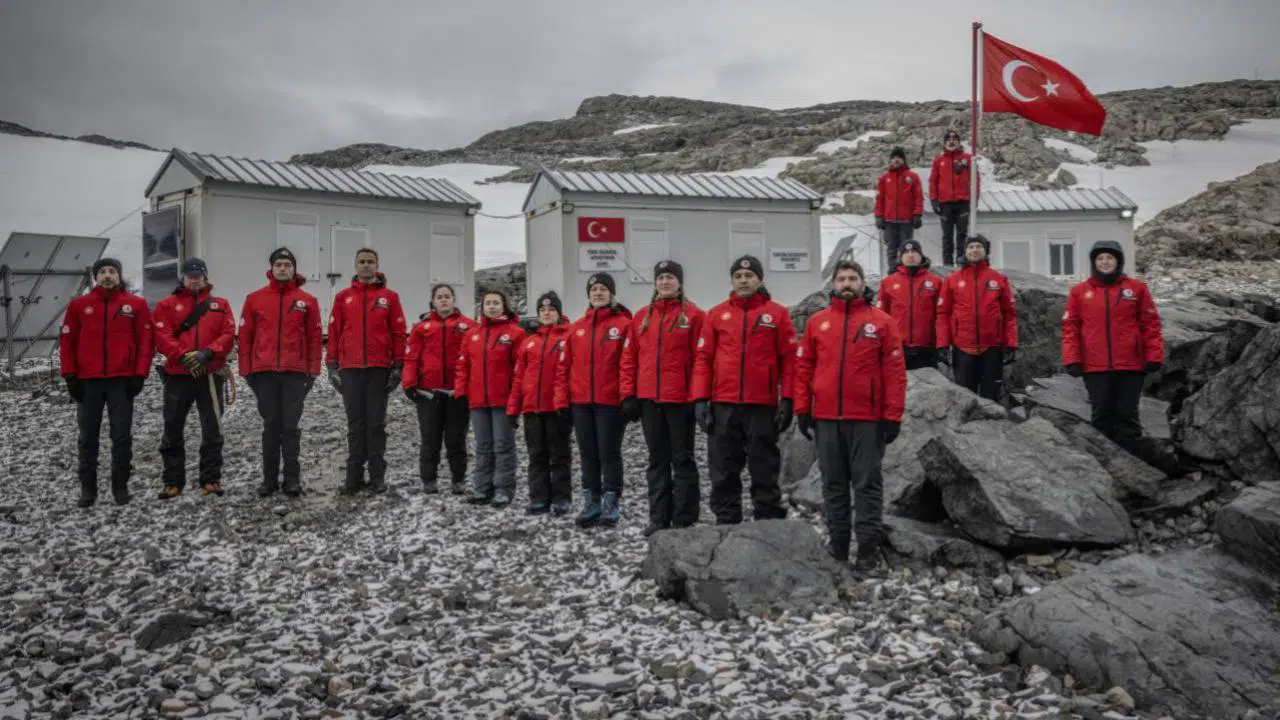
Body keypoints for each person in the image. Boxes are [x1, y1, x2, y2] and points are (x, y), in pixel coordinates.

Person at [794, 260, 907, 572]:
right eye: (841, 278)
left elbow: (895, 373)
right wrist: (803, 409)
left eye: (852, 278)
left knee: (867, 483)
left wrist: (892, 415)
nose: (846, 283)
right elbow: (803, 369)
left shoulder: (882, 322)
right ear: (832, 284)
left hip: (867, 419)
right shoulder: (818, 323)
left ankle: (868, 547)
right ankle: (839, 545)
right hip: (827, 418)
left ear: (862, 282)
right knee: (833, 484)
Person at [691, 255, 796, 525]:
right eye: (738, 276)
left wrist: (789, 399)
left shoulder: (777, 314)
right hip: (723, 404)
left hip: (762, 405)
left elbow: (789, 360)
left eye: (749, 276)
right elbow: (703, 359)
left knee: (764, 467)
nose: (743, 280)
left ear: (759, 279)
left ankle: (768, 521)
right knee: (723, 469)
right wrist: (700, 399)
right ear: (732, 281)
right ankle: (727, 522)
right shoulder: (716, 314)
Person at [620, 260, 705, 536]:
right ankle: (659, 517)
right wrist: (629, 394)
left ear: (679, 282)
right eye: (660, 278)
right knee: (657, 459)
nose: (665, 282)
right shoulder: (642, 317)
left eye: (670, 277)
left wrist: (698, 397)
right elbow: (629, 358)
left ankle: (685, 516)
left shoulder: (693, 316)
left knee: (682, 458)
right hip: (649, 399)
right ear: (655, 283)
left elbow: (700, 360)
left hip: (679, 400)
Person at [59, 257, 153, 507]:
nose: (108, 275)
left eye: (112, 271)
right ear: (96, 277)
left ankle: (120, 487)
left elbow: (145, 342)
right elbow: (67, 343)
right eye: (103, 272)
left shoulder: (136, 305)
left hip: (121, 382)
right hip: (87, 383)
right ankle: (88, 490)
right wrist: (70, 376)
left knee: (121, 436)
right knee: (88, 437)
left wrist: (139, 374)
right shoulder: (79, 305)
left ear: (119, 276)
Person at [1061, 240, 1165, 453]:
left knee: (1128, 416)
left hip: (1130, 365)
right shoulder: (1079, 291)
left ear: (1118, 261)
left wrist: (1153, 355)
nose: (1105, 262)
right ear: (1093, 262)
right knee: (1101, 416)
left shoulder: (1136, 288)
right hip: (1095, 367)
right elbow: (1070, 327)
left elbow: (1150, 324)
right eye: (1100, 258)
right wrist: (1072, 359)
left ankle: (1135, 467)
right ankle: (1105, 465)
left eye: (1110, 257)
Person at [238, 247, 322, 497]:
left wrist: (313, 371)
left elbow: (315, 338)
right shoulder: (255, 299)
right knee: (271, 426)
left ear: (294, 269)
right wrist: (246, 370)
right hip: (263, 373)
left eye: (287, 264)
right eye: (279, 265)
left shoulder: (307, 301)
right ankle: (269, 480)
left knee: (291, 426)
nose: (283, 268)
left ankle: (292, 480)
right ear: (271, 269)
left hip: (295, 373)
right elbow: (245, 336)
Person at [152, 257, 236, 499]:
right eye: (190, 275)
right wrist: (183, 356)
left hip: (210, 375)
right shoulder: (167, 305)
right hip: (178, 375)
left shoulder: (220, 305)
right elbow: (162, 335)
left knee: (212, 428)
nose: (194, 279)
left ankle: (211, 479)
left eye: (198, 275)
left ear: (206, 277)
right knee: (172, 427)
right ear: (183, 278)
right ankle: (173, 481)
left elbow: (228, 334)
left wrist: (207, 354)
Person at [326, 248, 407, 495]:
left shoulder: (389, 297)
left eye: (370, 262)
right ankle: (353, 477)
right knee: (355, 424)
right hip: (350, 369)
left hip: (378, 369)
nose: (366, 266)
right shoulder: (343, 297)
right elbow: (335, 332)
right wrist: (331, 365)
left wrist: (398, 365)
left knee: (375, 424)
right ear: (355, 265)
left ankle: (377, 477)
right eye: (361, 262)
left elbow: (397, 332)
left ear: (377, 265)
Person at [555, 273, 633, 528]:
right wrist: (562, 402)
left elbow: (627, 364)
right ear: (588, 295)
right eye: (594, 289)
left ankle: (611, 502)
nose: (598, 293)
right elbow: (564, 367)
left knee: (608, 453)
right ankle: (591, 501)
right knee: (588, 454)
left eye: (603, 289)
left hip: (609, 402)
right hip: (581, 403)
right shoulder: (576, 328)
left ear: (611, 293)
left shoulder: (623, 324)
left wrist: (627, 396)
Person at [456, 289, 525, 506]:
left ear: (504, 306)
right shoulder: (472, 335)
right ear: (482, 307)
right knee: (483, 445)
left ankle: (503, 488)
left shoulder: (515, 334)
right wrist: (460, 392)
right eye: (488, 303)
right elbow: (463, 366)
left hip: (502, 400)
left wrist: (517, 399)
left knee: (503, 445)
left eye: (496, 302)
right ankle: (482, 487)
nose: (492, 306)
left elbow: (520, 370)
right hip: (478, 400)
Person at [507, 291, 573, 515]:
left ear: (559, 313)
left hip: (557, 409)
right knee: (536, 456)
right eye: (543, 310)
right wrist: (512, 408)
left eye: (551, 309)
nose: (547, 313)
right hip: (532, 409)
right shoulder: (529, 342)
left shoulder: (567, 338)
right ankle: (539, 498)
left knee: (560, 456)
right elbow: (519, 378)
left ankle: (561, 498)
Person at [403, 284, 472, 495]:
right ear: (433, 301)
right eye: (439, 297)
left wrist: (470, 387)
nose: (443, 300)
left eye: (447, 296)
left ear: (454, 300)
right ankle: (429, 479)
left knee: (456, 438)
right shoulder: (421, 328)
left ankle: (458, 479)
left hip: (457, 393)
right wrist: (409, 384)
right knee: (430, 438)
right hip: (428, 393)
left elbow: (474, 358)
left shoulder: (468, 326)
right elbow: (411, 357)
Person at [936, 235, 1018, 402]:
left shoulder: (998, 279)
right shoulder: (952, 280)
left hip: (992, 347)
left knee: (991, 397)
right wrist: (942, 343)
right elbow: (943, 313)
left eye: (979, 246)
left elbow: (1009, 314)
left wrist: (1011, 343)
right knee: (965, 398)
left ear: (985, 251)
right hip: (963, 347)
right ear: (965, 251)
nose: (975, 250)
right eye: (971, 247)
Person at [875, 240, 944, 370]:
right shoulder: (888, 283)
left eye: (914, 252)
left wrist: (942, 344)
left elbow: (941, 316)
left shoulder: (936, 282)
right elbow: (881, 317)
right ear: (900, 257)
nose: (910, 255)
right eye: (906, 252)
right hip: (897, 348)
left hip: (926, 348)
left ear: (921, 255)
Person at [929, 130, 978, 266]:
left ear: (958, 142)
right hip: (945, 204)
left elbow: (976, 179)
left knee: (962, 234)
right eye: (949, 140)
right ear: (944, 143)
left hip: (963, 202)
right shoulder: (939, 161)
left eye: (954, 139)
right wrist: (934, 200)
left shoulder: (967, 159)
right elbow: (933, 181)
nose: (951, 141)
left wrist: (975, 198)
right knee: (947, 236)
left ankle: (962, 261)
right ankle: (948, 265)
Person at [874, 146, 924, 267]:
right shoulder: (884, 178)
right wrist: (879, 216)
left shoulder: (912, 177)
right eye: (894, 158)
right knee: (891, 248)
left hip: (906, 221)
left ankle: (906, 271)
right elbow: (879, 199)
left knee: (906, 248)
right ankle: (892, 272)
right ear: (891, 160)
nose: (896, 160)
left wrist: (917, 214)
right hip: (889, 220)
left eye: (899, 158)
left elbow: (918, 196)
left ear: (904, 160)